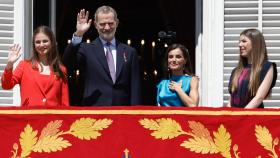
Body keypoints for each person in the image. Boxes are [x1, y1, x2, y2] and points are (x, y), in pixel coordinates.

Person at [63, 6, 141, 106]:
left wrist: (135, 113)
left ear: (116, 23)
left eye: (111, 23)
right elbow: (67, 64)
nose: (107, 28)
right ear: (95, 25)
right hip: (95, 111)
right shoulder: (87, 49)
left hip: (122, 112)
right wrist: (79, 34)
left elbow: (135, 88)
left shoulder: (130, 52)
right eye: (102, 24)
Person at [1, 26, 69, 107]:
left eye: (45, 41)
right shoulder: (24, 66)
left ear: (52, 43)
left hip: (52, 119)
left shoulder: (61, 69)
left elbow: (65, 103)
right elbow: (6, 85)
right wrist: (9, 64)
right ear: (34, 45)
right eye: (38, 42)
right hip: (29, 118)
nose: (41, 44)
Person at [228, 28, 277, 108]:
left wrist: (240, 116)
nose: (239, 45)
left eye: (244, 41)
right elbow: (231, 100)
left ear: (255, 44)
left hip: (252, 117)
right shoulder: (236, 71)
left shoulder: (266, 67)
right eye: (239, 41)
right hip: (235, 117)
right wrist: (227, 116)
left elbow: (259, 98)